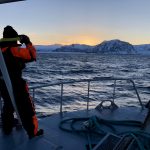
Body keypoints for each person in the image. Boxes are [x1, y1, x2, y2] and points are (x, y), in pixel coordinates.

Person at [0, 25, 43, 139]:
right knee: (27, 108)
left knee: (8, 105)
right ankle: (32, 132)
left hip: (2, 85)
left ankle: (7, 129)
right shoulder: (15, 50)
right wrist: (27, 42)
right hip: (17, 84)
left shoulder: (1, 51)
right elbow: (32, 55)